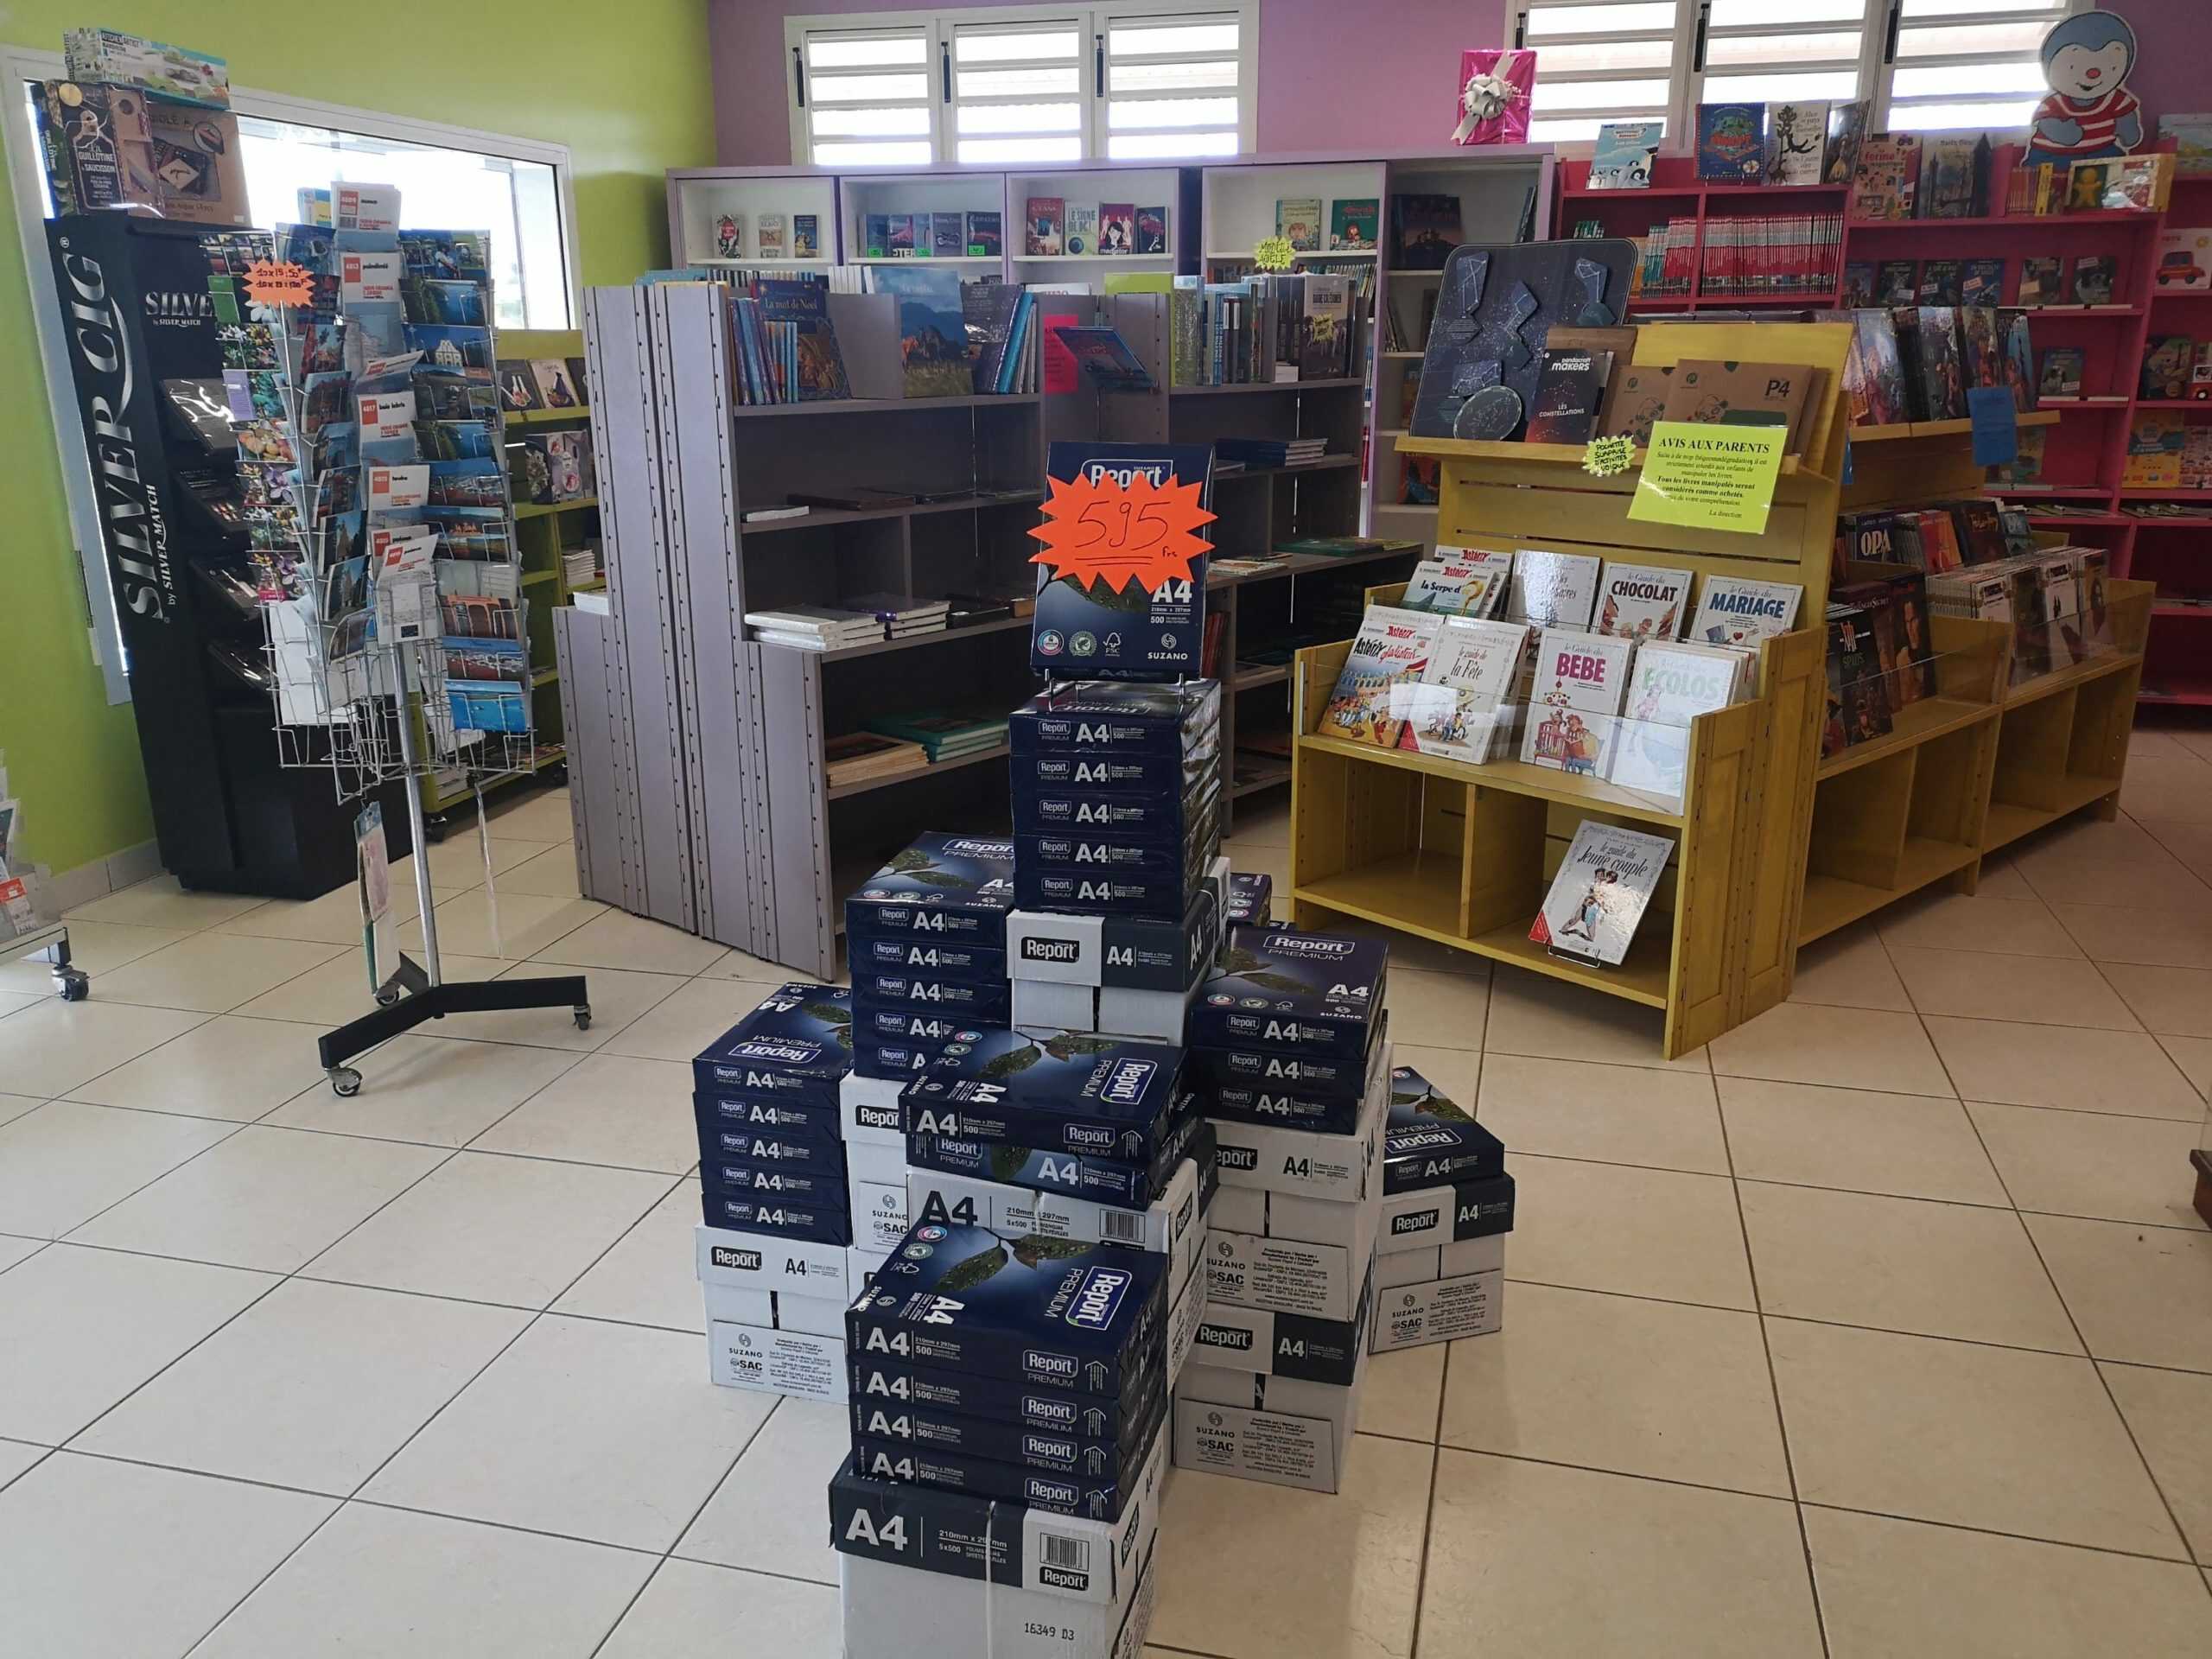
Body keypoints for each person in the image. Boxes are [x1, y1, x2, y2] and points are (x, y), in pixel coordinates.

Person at [2024, 10, 2142, 171]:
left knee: (2115, 163)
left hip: (2100, 151)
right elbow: (2047, 124)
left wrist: (2128, 130)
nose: (2093, 75)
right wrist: (2064, 133)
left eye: (2112, 68)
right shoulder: (2055, 103)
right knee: (2047, 167)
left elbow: (2128, 129)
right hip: (2055, 154)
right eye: (2073, 67)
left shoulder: (2116, 100)